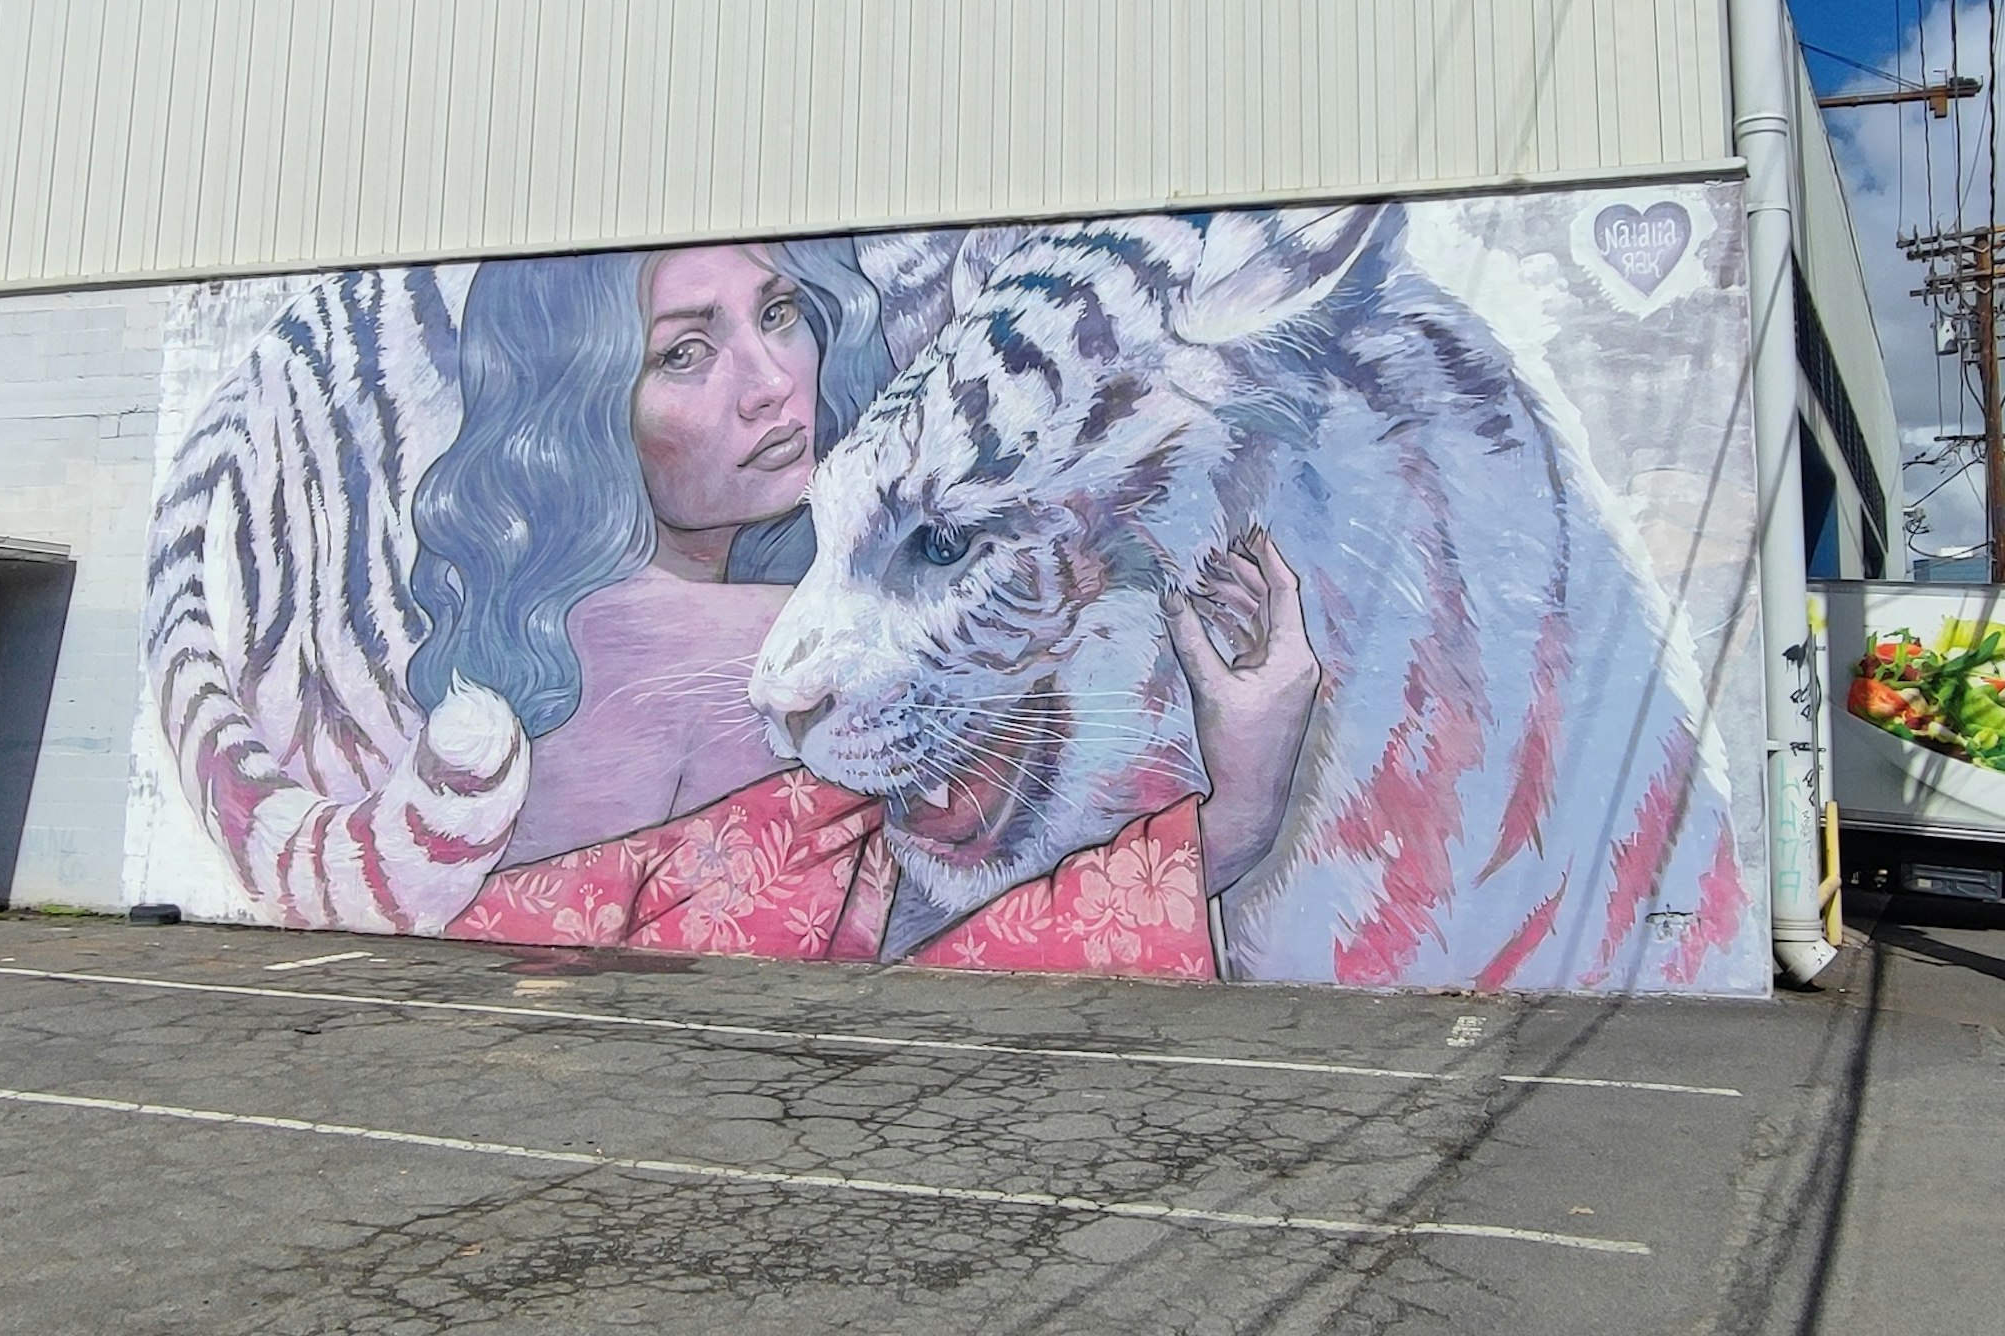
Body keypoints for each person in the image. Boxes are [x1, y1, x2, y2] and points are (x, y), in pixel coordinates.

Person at [402, 235, 1323, 968]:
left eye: (779, 312)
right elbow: (934, 946)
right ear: (581, 405)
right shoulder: (707, 645)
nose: (770, 385)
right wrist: (1232, 818)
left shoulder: (578, 625)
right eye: (685, 352)